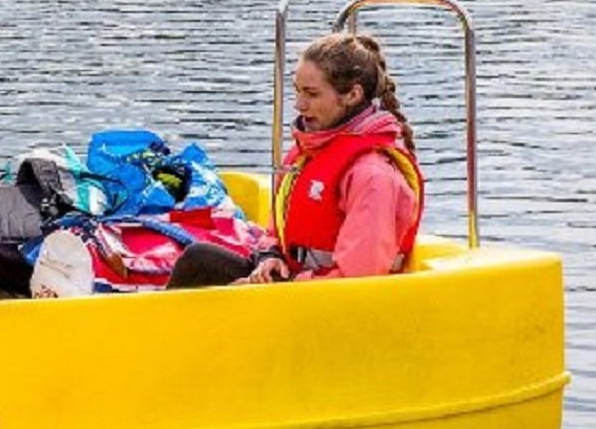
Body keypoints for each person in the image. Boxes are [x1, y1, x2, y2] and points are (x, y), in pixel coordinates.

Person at [168, 32, 424, 287]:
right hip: (295, 284)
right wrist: (270, 256)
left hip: (329, 298)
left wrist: (277, 287)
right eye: (297, 91)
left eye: (312, 94)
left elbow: (358, 280)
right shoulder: (306, 154)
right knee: (199, 260)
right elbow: (276, 231)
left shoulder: (373, 176)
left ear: (352, 95)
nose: (299, 105)